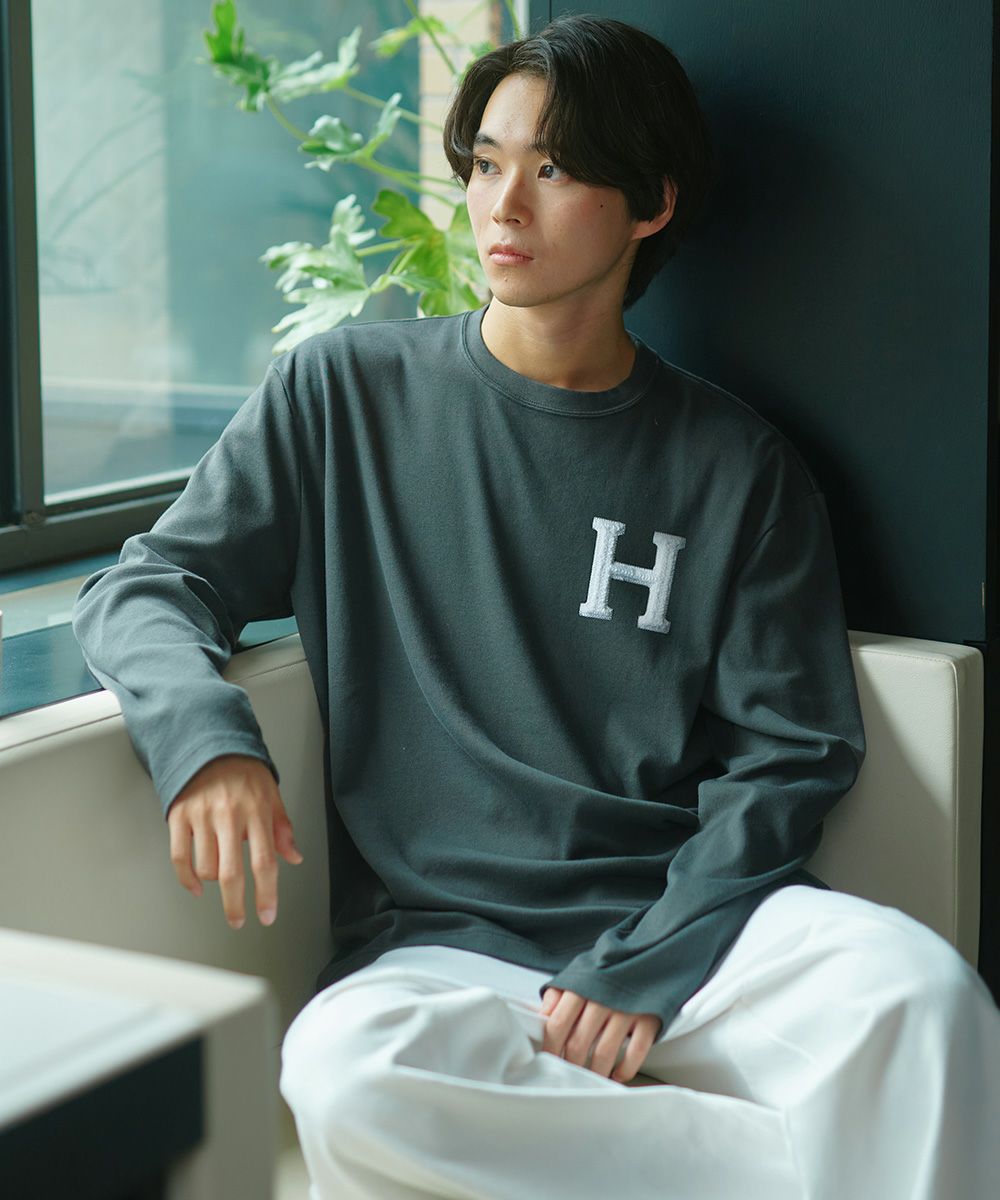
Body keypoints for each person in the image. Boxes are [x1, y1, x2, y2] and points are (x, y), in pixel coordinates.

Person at [72, 14, 1000, 1200]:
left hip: (695, 926)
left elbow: (793, 753)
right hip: (444, 945)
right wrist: (206, 742)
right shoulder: (343, 394)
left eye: (552, 169)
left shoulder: (736, 467)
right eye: (485, 162)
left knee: (924, 1000)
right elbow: (149, 584)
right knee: (346, 1074)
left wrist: (651, 957)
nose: (501, 204)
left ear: (650, 204)